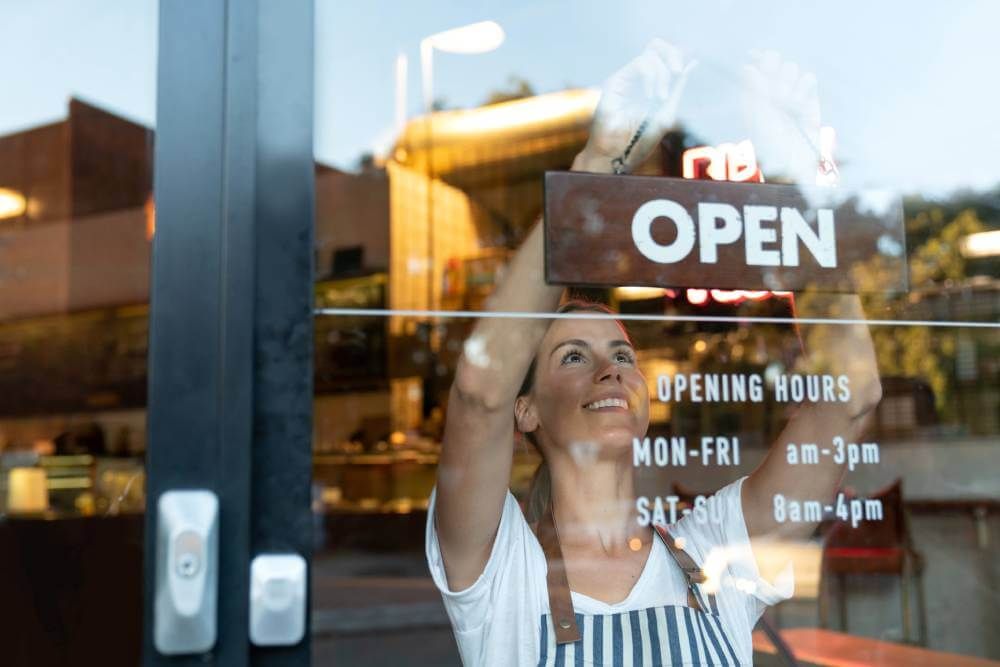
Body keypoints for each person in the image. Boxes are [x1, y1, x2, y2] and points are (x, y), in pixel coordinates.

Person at [426, 40, 882, 666]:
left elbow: (850, 397)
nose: (611, 368)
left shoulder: (714, 551)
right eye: (573, 357)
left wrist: (795, 178)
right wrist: (598, 163)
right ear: (525, 410)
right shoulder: (499, 566)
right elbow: (479, 392)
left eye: (622, 354)